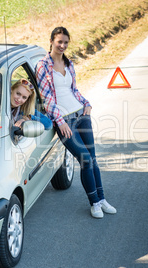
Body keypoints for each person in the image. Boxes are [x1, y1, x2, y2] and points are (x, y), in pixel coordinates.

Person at [36, 26, 116, 219]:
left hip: (81, 115)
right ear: (52, 42)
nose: (62, 45)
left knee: (93, 158)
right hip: (65, 121)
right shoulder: (43, 66)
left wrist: (87, 104)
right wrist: (59, 120)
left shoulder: (69, 64)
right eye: (59, 42)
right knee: (85, 159)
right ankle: (94, 203)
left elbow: (74, 90)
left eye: (65, 42)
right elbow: (47, 99)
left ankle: (102, 199)